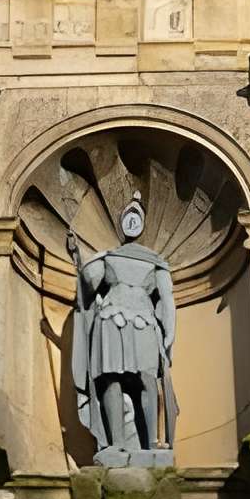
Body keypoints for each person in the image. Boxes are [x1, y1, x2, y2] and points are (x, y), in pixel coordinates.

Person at [66, 197, 177, 463]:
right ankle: (116, 443)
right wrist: (79, 260)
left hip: (144, 322)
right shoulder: (107, 257)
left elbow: (167, 299)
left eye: (136, 215)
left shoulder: (156, 262)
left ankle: (151, 442)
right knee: (110, 379)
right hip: (111, 320)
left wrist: (169, 336)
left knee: (147, 380)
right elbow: (88, 286)